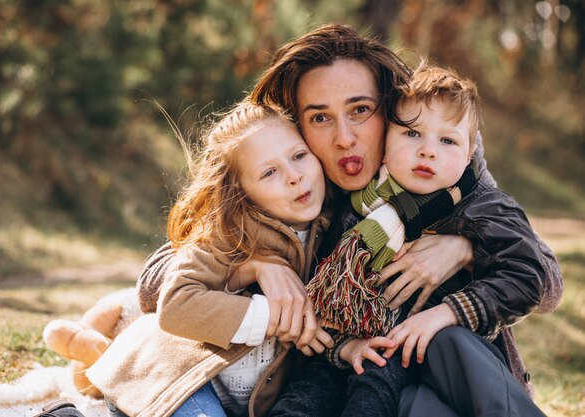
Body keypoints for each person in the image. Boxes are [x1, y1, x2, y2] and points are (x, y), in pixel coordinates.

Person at [136, 24, 562, 416]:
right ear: (297, 125)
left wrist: (463, 248)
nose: (344, 138)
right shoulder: (296, 179)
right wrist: (256, 263)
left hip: (447, 372)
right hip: (343, 370)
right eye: (319, 118)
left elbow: (546, 282)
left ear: (393, 108)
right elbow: (156, 283)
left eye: (360, 110)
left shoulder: (445, 162)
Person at [272, 62, 547, 417]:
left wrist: (448, 310)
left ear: (468, 156)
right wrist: (344, 344)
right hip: (365, 351)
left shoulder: (483, 206)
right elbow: (326, 293)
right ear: (385, 141)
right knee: (310, 397)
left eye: (447, 140)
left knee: (384, 388)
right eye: (412, 134)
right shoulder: (356, 210)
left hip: (443, 356)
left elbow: (528, 277)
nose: (428, 150)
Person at [85, 101, 335, 417]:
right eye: (269, 172)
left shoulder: (332, 231)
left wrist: (345, 347)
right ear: (240, 190)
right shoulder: (226, 233)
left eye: (299, 156)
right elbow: (177, 304)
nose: (294, 176)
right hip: (170, 380)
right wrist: (274, 317)